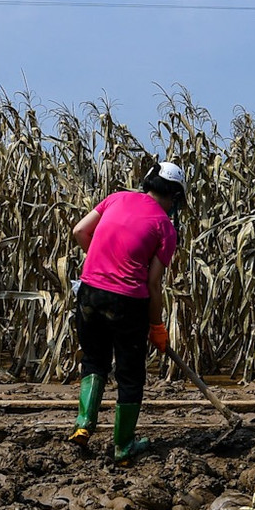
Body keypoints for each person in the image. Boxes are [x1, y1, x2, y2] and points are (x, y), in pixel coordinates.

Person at [67, 162, 185, 462]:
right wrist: (157, 327)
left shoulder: (116, 198)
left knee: (94, 361)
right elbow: (153, 284)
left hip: (90, 293)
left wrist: (103, 261)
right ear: (174, 196)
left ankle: (83, 425)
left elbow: (79, 230)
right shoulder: (165, 227)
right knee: (130, 375)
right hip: (128, 303)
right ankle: (123, 445)